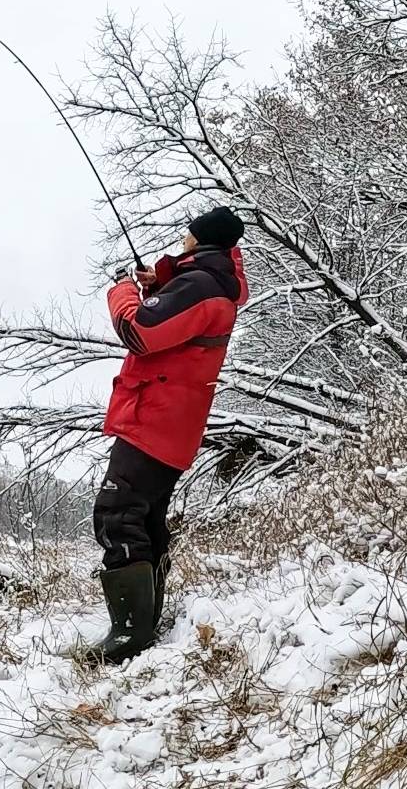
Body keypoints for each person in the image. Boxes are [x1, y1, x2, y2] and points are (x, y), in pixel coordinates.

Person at [83, 205, 248, 664]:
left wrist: (123, 292)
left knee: (116, 514)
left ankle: (128, 635)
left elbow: (140, 332)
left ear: (203, 238)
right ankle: (143, 624)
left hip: (155, 417)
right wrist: (158, 289)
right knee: (145, 516)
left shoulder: (200, 285)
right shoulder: (208, 284)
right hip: (172, 420)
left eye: (190, 232)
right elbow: (175, 325)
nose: (184, 237)